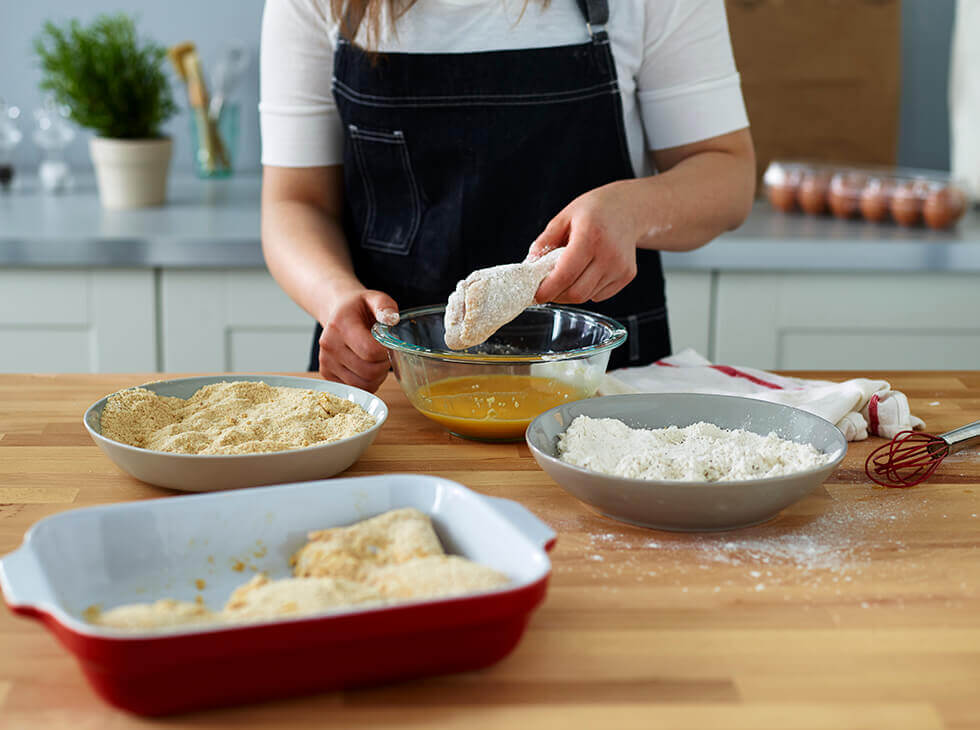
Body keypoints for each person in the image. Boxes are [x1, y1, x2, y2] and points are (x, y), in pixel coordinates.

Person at [260, 0, 755, 392]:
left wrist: (631, 210)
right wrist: (334, 297)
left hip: (601, 389)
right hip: (389, 387)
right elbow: (294, 203)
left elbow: (728, 177)